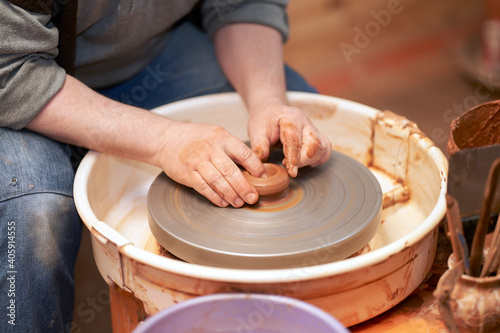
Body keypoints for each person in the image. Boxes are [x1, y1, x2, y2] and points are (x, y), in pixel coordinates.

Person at [0, 0, 332, 331]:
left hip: (146, 53)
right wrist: (164, 140)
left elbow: (241, 5)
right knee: (34, 213)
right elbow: (11, 71)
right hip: (19, 75)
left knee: (306, 137)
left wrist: (269, 101)